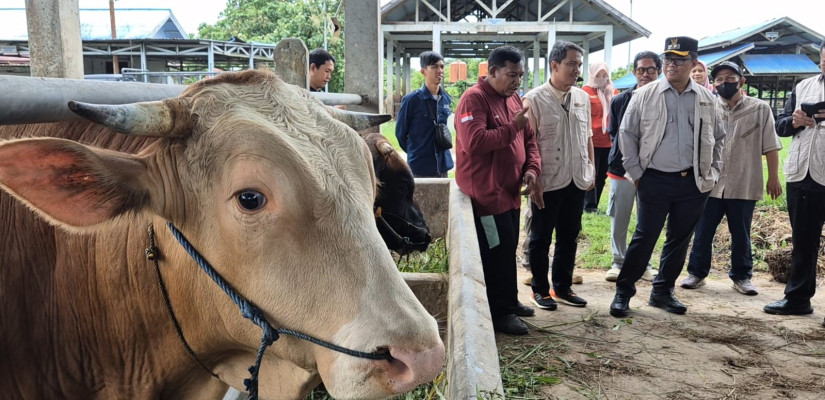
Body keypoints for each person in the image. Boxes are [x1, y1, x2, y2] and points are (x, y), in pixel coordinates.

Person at [609, 36, 725, 318]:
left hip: (693, 182)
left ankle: (662, 291)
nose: (671, 65)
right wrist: (637, 174)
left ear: (693, 63)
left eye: (679, 60)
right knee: (645, 236)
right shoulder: (644, 95)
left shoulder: (706, 98)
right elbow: (626, 135)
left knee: (679, 239)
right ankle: (624, 291)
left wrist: (712, 172)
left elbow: (720, 138)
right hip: (654, 180)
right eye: (668, 59)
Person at [455, 45, 542, 335]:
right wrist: (512, 127)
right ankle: (499, 313)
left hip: (511, 193)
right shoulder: (473, 99)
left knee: (508, 249)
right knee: (495, 253)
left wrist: (531, 169)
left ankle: (509, 300)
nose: (517, 81)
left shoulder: (514, 98)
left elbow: (530, 140)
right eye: (511, 75)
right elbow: (474, 142)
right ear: (492, 71)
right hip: (487, 198)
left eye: (520, 75)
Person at [681, 61, 782, 295]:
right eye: (719, 79)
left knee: (741, 233)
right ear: (714, 83)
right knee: (703, 231)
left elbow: (771, 146)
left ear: (741, 81)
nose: (724, 82)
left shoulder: (760, 109)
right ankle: (697, 273)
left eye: (730, 78)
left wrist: (773, 178)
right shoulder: (707, 107)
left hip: (744, 182)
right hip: (710, 183)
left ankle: (742, 276)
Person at [522, 41, 594, 311]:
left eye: (579, 64)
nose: (577, 70)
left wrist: (590, 169)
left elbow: (587, 136)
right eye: (571, 64)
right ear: (554, 65)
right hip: (547, 181)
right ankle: (540, 290)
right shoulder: (534, 99)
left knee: (569, 234)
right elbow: (527, 144)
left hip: (576, 178)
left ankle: (562, 287)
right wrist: (533, 178)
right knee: (540, 238)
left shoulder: (582, 98)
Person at [763, 40, 825, 319]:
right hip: (802, 174)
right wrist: (796, 121)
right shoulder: (803, 87)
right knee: (804, 241)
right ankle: (798, 299)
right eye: (824, 60)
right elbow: (781, 125)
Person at [604, 51, 662, 283]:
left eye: (650, 69)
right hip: (622, 169)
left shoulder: (665, 99)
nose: (645, 74)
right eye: (640, 69)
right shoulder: (620, 100)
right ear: (634, 72)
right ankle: (618, 261)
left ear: (659, 71)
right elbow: (614, 134)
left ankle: (644, 264)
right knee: (620, 217)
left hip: (654, 170)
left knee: (647, 220)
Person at [395, 51, 454, 177]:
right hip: (420, 166)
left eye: (442, 66)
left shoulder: (446, 99)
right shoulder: (412, 100)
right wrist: (415, 152)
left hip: (443, 165)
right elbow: (400, 134)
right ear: (423, 71)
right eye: (434, 67)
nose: (440, 70)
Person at [582, 62, 617, 213]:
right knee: (592, 173)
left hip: (609, 141)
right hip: (592, 140)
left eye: (604, 75)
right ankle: (589, 205)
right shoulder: (585, 91)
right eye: (598, 75)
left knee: (602, 174)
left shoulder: (613, 91)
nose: (602, 78)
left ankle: (595, 203)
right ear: (592, 75)